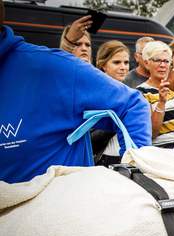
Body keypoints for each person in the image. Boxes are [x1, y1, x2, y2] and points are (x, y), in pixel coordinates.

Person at [0, 0, 152, 183]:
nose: (123, 67)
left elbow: (133, 105)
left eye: (126, 62)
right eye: (117, 62)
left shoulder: (56, 69)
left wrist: (134, 176)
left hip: (68, 200)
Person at [136, 41, 174, 141]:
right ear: (146, 63)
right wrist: (161, 102)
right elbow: (152, 133)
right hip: (166, 148)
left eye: (166, 61)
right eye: (157, 60)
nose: (162, 65)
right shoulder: (141, 92)